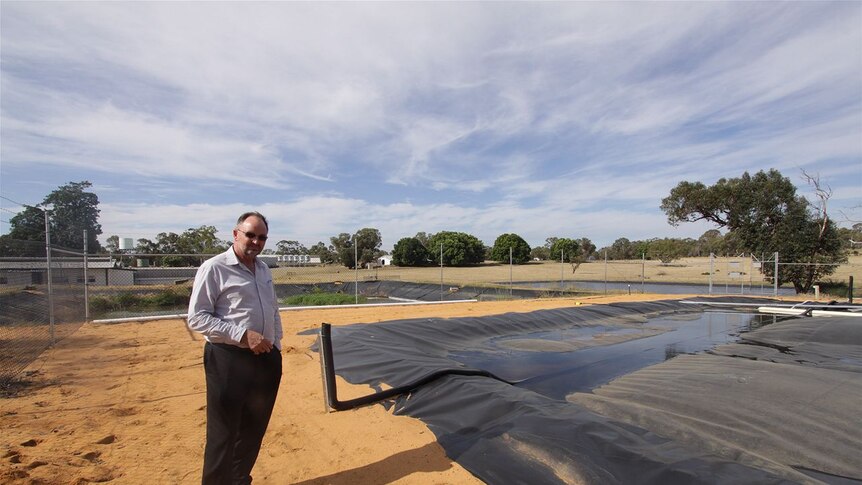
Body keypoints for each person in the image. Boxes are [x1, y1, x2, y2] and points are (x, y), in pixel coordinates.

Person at [187, 211, 283, 485]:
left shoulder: (263, 269)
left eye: (262, 237)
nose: (256, 241)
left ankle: (240, 480)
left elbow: (272, 309)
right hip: (228, 359)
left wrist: (276, 344)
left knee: (254, 429)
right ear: (235, 234)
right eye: (250, 234)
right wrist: (242, 335)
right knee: (224, 433)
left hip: (265, 359)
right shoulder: (215, 268)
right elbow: (197, 317)